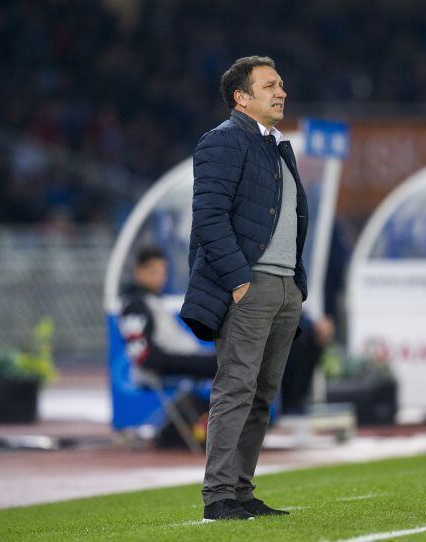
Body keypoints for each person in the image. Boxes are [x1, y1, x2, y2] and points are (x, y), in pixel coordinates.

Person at [179, 56, 308, 521]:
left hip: (283, 288)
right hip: (250, 287)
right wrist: (239, 283)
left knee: (261, 396)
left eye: (281, 83)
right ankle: (218, 497)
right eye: (270, 85)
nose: (282, 91)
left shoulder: (276, 146)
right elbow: (209, 219)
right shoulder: (222, 141)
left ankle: (240, 489)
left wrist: (296, 285)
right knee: (235, 388)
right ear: (242, 97)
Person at [119, 247, 216, 379]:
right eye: (154, 272)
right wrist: (194, 363)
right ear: (138, 271)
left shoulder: (152, 300)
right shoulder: (135, 307)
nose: (161, 278)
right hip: (162, 379)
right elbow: (144, 357)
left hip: (178, 367)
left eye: (163, 273)